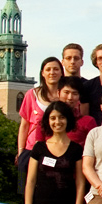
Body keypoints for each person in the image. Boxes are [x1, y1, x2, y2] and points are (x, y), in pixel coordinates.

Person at [17, 57, 63, 193]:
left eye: (56, 69)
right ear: (42, 73)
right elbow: (24, 125)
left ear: (61, 72)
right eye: (48, 69)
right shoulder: (32, 95)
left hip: (57, 149)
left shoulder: (66, 96)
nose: (52, 72)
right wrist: (20, 151)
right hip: (32, 148)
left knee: (51, 188)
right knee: (27, 189)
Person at [57, 76, 98, 146]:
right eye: (66, 92)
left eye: (74, 93)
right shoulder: (47, 120)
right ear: (58, 93)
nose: (70, 97)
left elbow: (96, 147)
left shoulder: (87, 121)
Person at [61, 43, 89, 116]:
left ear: (82, 62)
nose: (72, 62)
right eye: (68, 58)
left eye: (76, 58)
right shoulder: (57, 84)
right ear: (62, 62)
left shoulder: (89, 86)